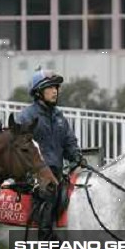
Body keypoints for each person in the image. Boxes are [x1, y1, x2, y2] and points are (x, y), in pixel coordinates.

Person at [16, 69, 87, 237]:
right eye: (50, 87)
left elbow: (69, 142)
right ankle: (45, 237)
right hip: (36, 174)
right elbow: (18, 149)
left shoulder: (59, 116)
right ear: (38, 92)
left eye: (56, 87)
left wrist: (76, 156)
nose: (55, 91)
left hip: (57, 172)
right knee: (51, 193)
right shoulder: (26, 117)